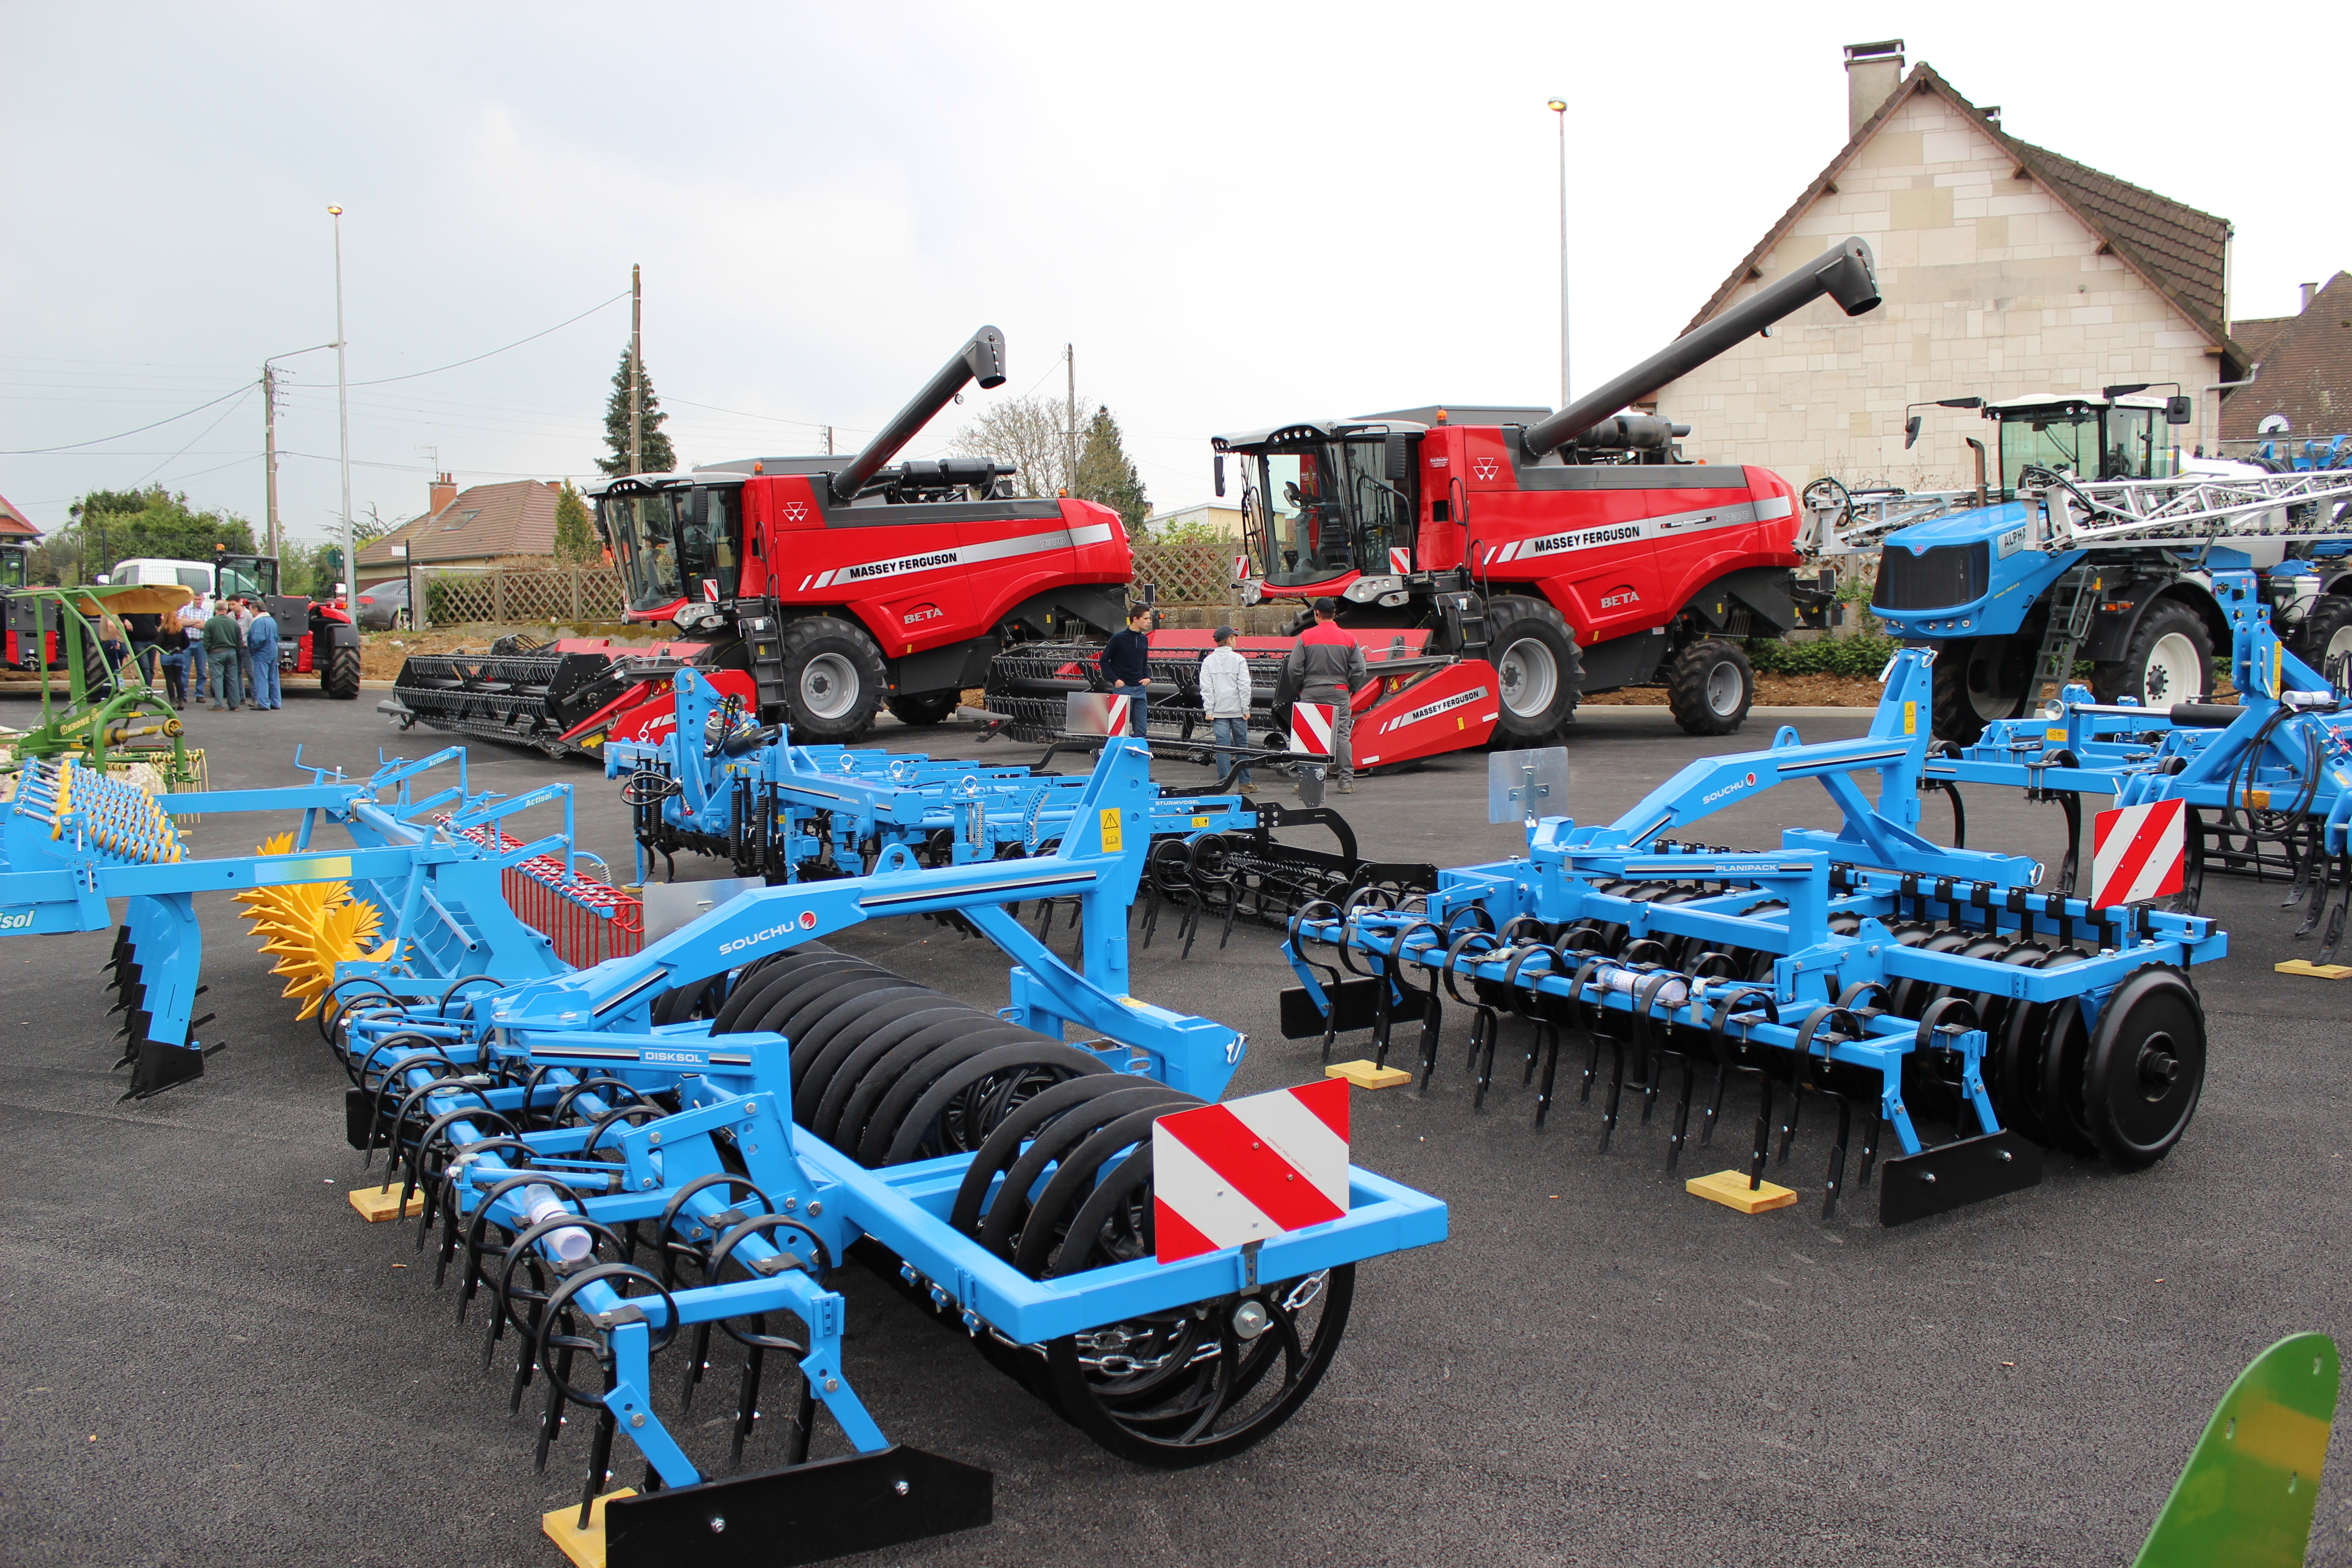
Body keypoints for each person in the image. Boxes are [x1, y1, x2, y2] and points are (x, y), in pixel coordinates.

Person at [1281, 597, 1368, 794]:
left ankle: (1308, 782)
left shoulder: (1306, 637)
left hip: (1312, 691)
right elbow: (1360, 670)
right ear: (1334, 614)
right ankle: (1346, 782)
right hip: (1339, 691)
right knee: (1342, 736)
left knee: (1310, 736)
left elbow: (1294, 668)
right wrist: (1350, 687)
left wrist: (1302, 687)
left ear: (1317, 614)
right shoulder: (1349, 638)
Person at [1200, 625, 1255, 794]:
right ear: (1230, 640)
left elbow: (1206, 688)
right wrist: (1246, 708)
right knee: (1241, 746)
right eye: (1235, 638)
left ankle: (1223, 783)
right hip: (1238, 710)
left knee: (1222, 747)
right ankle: (1245, 783)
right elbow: (1244, 686)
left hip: (1218, 712)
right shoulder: (1239, 660)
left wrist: (1209, 710)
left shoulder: (1208, 661)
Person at [1097, 605, 1154, 738]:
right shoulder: (1118, 638)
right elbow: (1104, 661)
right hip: (1123, 688)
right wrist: (1115, 680)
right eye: (1146, 618)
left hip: (1140, 688)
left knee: (1141, 731)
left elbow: (1144, 662)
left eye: (1149, 618)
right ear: (1136, 619)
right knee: (1119, 729)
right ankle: (1115, 749)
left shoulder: (1144, 639)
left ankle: (1137, 750)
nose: (1149, 621)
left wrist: (1148, 678)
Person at [202, 600, 245, 710]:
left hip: (216, 652)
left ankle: (219, 704)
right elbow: (239, 640)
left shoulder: (211, 623)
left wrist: (209, 651)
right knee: (233, 678)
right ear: (226, 609)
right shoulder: (234, 623)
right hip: (231, 652)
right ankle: (235, 705)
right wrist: (236, 650)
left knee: (217, 679)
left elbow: (207, 641)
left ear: (216, 610)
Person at [245, 598, 282, 710]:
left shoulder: (259, 622)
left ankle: (263, 703)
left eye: (251, 610)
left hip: (262, 654)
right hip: (273, 652)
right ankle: (276, 702)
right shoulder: (272, 620)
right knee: (274, 679)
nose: (251, 613)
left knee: (261, 679)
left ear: (256, 609)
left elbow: (258, 639)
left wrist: (253, 649)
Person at [174, 593, 209, 696]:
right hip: (187, 642)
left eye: (199, 599)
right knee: (185, 669)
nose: (198, 601)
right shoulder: (185, 609)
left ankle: (200, 693)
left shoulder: (207, 611)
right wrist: (198, 621)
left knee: (201, 670)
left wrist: (189, 622)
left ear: (203, 599)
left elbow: (205, 626)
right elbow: (180, 622)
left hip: (201, 643)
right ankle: (183, 694)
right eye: (196, 599)